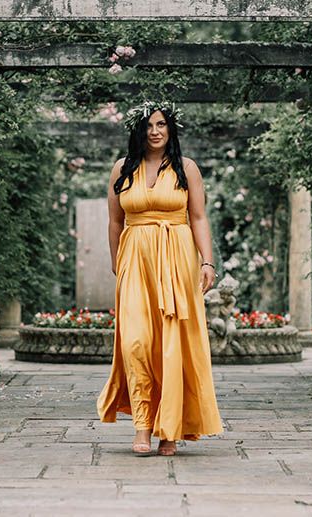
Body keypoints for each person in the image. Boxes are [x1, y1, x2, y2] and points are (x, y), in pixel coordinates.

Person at [96, 101, 223, 456]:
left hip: (177, 257)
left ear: (170, 129)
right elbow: (115, 221)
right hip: (135, 257)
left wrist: (207, 263)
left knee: (171, 343)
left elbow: (198, 217)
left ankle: (169, 429)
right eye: (149, 125)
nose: (155, 131)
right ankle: (142, 424)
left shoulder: (187, 168)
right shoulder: (122, 168)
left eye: (161, 124)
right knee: (135, 342)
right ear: (138, 131)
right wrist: (115, 263)